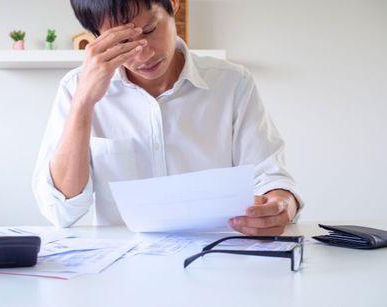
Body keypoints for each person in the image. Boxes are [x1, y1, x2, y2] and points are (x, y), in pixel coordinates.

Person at [32, 0, 304, 235]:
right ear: (96, 38)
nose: (144, 54)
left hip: (218, 261)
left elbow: (269, 177)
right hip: (121, 271)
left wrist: (281, 204)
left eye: (150, 30)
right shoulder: (75, 88)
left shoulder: (232, 83)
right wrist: (83, 102)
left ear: (172, 4)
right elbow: (60, 210)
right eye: (122, 42)